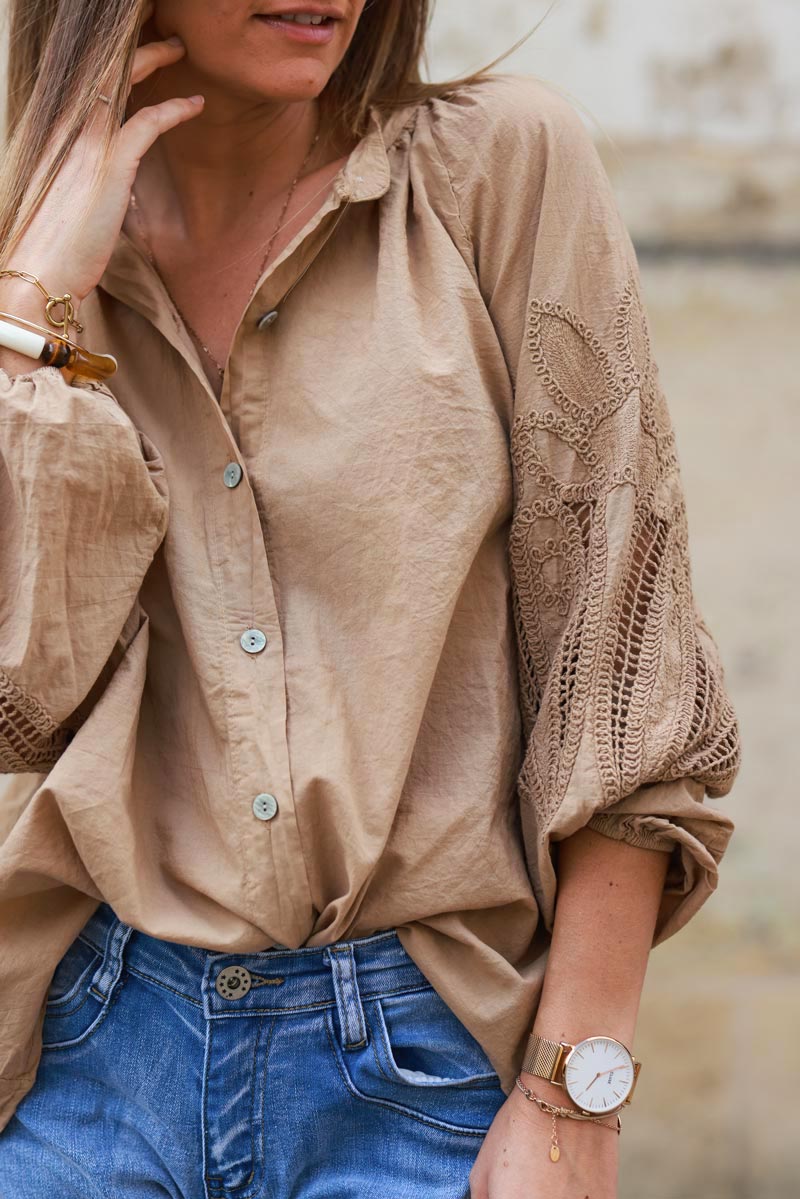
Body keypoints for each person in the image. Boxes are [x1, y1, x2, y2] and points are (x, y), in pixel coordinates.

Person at [0, 1, 741, 1196]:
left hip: (418, 1068)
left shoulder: (500, 171)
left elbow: (618, 653)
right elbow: (16, 707)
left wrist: (573, 1094)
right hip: (91, 1056)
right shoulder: (34, 261)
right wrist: (30, 312)